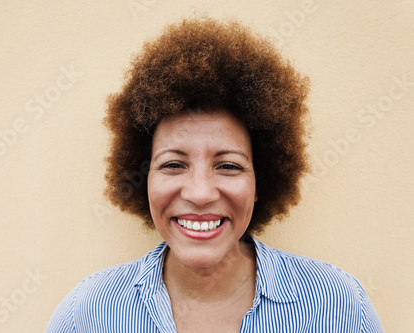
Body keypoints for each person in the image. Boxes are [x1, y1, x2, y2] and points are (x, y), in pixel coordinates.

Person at [46, 17, 384, 332]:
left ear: (259, 182)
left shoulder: (338, 307)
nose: (200, 193)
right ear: (143, 178)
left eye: (228, 166)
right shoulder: (88, 314)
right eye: (174, 165)